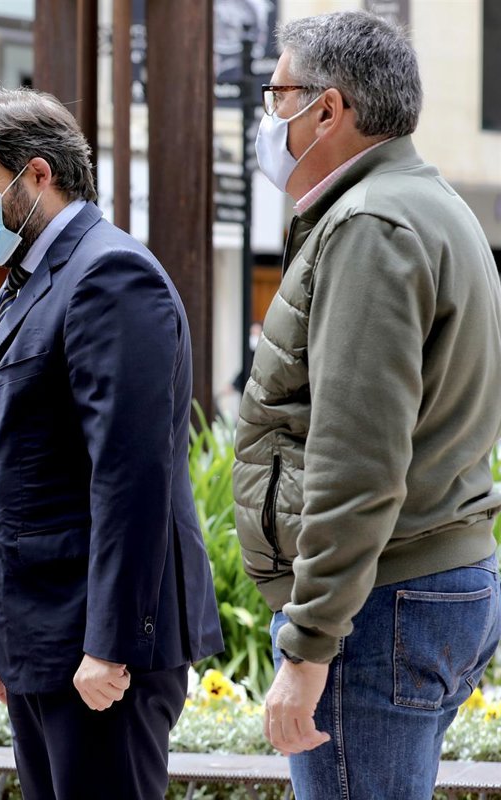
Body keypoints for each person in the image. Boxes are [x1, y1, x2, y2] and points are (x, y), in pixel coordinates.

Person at [233, 11, 501, 799]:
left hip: (379, 602)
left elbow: (357, 457)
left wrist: (310, 644)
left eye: (276, 96)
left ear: (328, 109)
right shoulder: (427, 205)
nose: (268, 119)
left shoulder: (370, 225)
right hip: (419, 584)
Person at [0, 87, 224, 800]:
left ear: (37, 175)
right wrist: (2, 645)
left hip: (96, 652)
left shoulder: (110, 275)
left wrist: (110, 645)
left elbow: (132, 478)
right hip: (41, 640)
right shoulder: (31, 278)